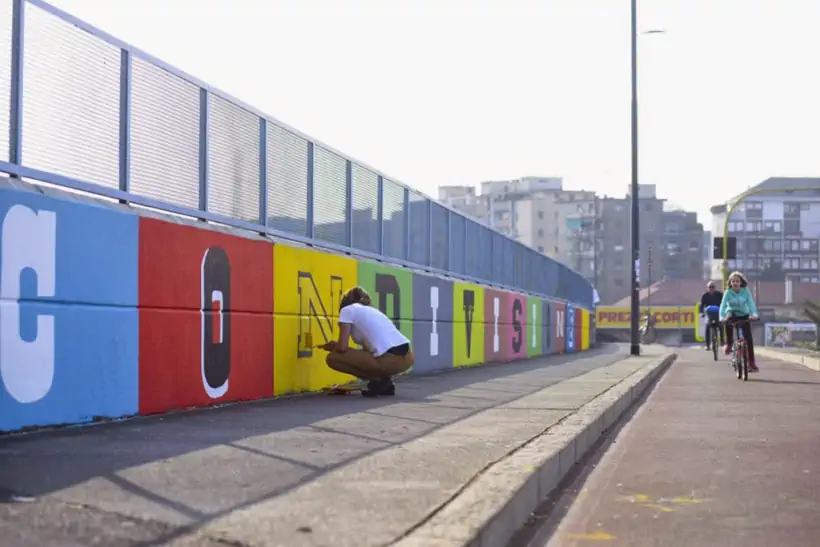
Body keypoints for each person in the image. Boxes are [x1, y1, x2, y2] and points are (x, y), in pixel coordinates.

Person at [319, 286, 415, 397]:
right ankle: (385, 382)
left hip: (389, 360)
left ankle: (378, 380)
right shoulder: (373, 311)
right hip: (408, 357)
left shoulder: (347, 310)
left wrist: (334, 347)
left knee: (332, 358)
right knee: (373, 356)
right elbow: (371, 350)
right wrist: (337, 346)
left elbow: (342, 348)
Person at [719, 271, 760, 372]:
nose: (735, 283)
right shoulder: (728, 292)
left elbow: (750, 303)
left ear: (741, 282)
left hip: (744, 315)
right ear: (730, 283)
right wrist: (721, 316)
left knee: (749, 339)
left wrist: (754, 314)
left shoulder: (745, 290)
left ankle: (751, 363)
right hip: (732, 314)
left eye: (737, 281)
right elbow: (723, 305)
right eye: (733, 281)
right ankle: (729, 344)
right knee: (727, 321)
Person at [699, 281, 725, 351]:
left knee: (721, 324)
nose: (711, 289)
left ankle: (722, 341)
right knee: (707, 327)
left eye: (713, 287)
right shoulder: (705, 295)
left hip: (718, 313)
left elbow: (724, 304)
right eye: (710, 287)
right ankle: (707, 345)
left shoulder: (719, 294)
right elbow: (701, 305)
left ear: (715, 288)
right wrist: (701, 313)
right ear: (707, 288)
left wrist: (724, 312)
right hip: (709, 313)